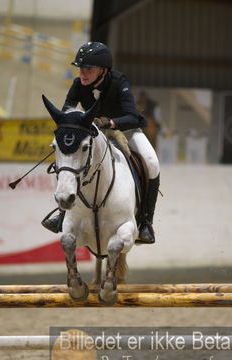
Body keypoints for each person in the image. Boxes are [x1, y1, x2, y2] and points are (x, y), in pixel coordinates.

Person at [42, 41, 160, 244]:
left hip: (125, 130)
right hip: (95, 133)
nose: (82, 73)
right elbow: (66, 113)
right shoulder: (78, 84)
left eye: (88, 69)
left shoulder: (118, 81)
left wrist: (109, 122)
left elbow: (132, 116)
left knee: (151, 162)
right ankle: (63, 214)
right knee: (69, 160)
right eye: (80, 68)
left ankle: (146, 222)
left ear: (103, 70)